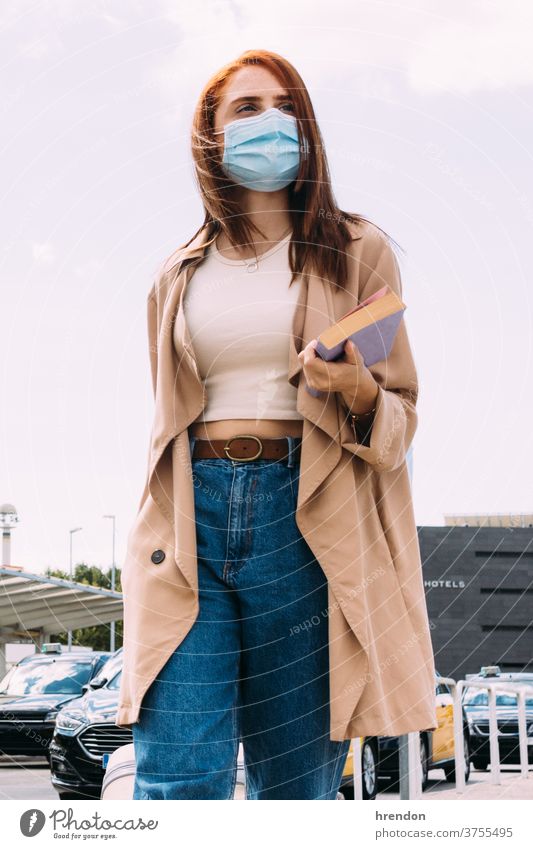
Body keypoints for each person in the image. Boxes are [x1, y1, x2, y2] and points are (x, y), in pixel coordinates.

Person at [118, 48, 438, 801]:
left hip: (306, 522)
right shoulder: (175, 276)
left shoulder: (358, 252)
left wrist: (350, 382)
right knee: (173, 773)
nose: (271, 123)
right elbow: (166, 423)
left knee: (295, 785)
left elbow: (398, 423)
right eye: (246, 109)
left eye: (283, 106)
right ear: (212, 138)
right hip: (187, 520)